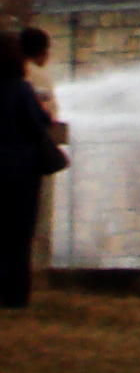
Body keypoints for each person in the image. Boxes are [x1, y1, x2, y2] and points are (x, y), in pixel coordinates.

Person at [0, 33, 62, 310]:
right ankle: (15, 298)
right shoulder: (20, 89)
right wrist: (46, 115)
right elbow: (37, 126)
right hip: (20, 172)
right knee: (19, 236)